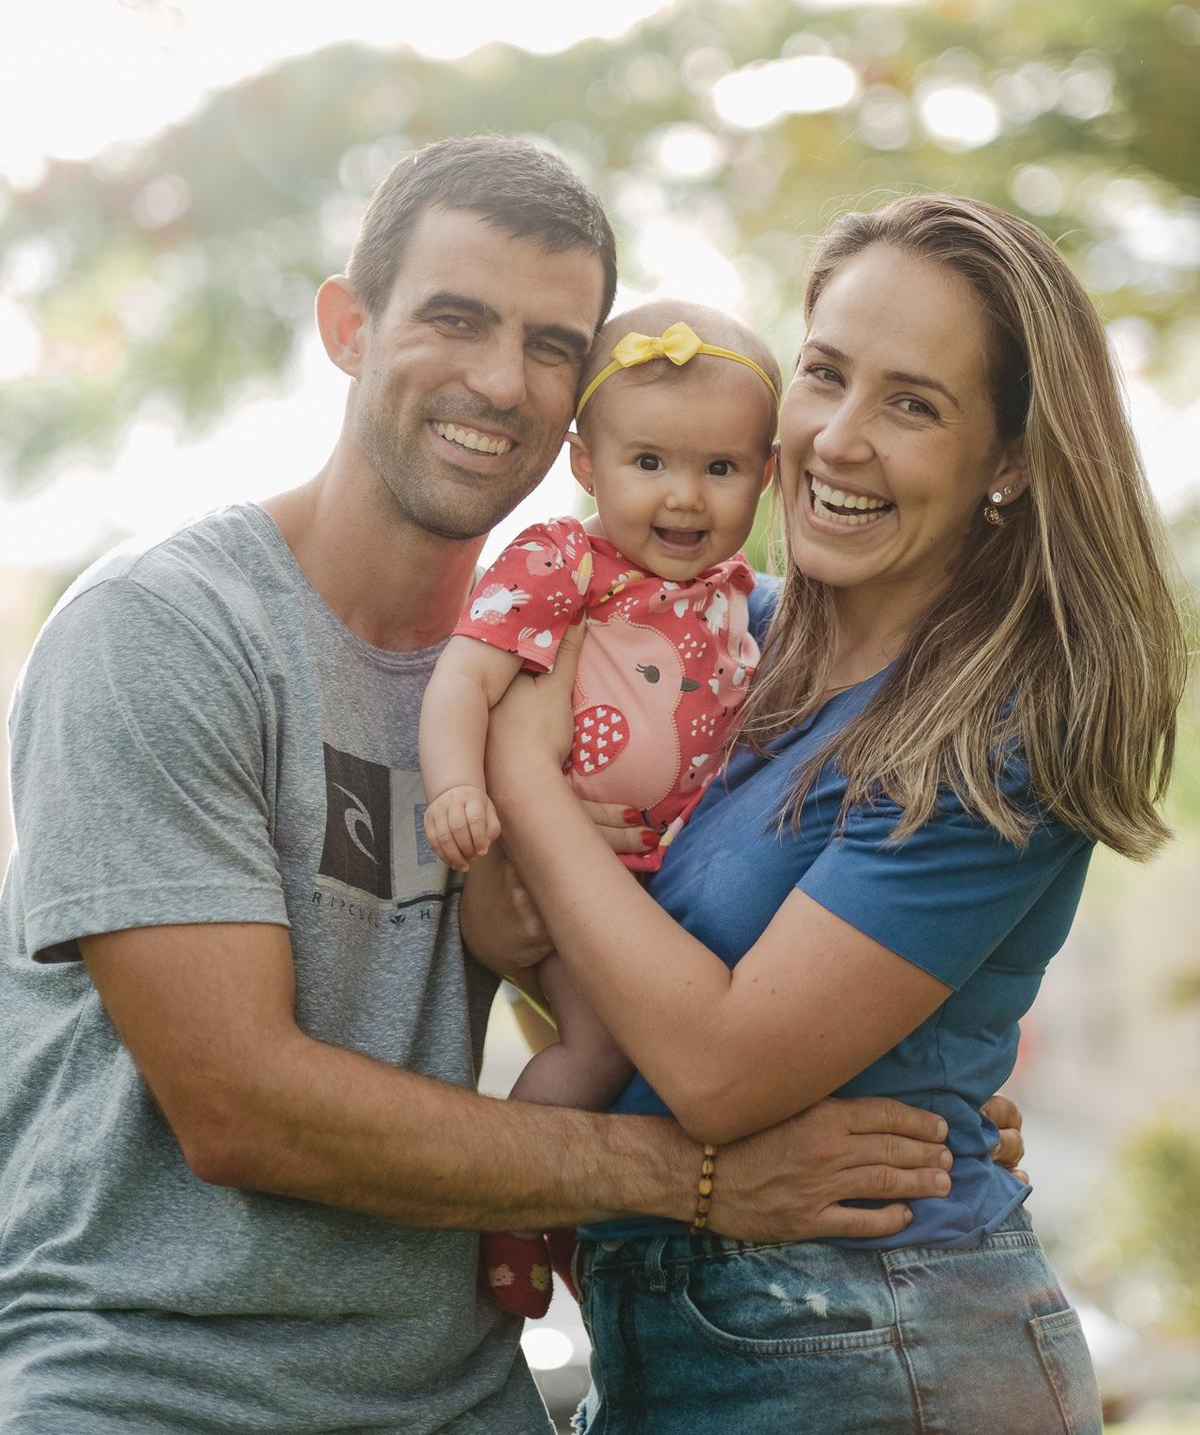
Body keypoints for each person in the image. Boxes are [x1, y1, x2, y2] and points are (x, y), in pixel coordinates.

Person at [0, 139, 972, 1435]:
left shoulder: (588, 666)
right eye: (455, 320)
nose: (499, 380)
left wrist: (911, 1095)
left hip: (463, 1395)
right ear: (349, 326)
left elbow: (663, 950)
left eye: (551, 342)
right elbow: (238, 1107)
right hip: (148, 1387)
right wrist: (696, 1180)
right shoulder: (168, 635)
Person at [478, 194, 1188, 1435]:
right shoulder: (721, 644)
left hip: (879, 1349)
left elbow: (713, 1067)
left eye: (913, 404)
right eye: (826, 375)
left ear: (1010, 459)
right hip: (672, 1340)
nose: (838, 442)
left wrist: (527, 781)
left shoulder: (995, 731)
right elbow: (607, 984)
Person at [420, 301, 781, 1315]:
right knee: (595, 1053)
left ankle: (606, 1247)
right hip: (563, 879)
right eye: (650, 463)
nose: (685, 498)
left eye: (721, 469)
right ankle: (518, 1208)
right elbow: (466, 681)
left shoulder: (738, 592)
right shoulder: (561, 561)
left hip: (661, 886)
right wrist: (459, 788)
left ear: (768, 475)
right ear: (587, 464)